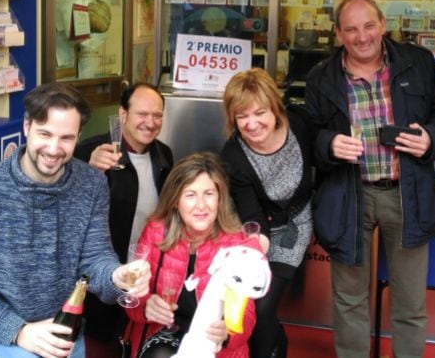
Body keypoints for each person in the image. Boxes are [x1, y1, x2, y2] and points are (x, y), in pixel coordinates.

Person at [0, 82, 151, 358]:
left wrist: (116, 276)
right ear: (27, 127)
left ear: (78, 136)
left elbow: (95, 258)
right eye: (44, 134)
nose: (54, 149)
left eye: (66, 138)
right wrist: (19, 331)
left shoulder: (92, 185)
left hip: (61, 326)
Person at [306, 0, 435, 358]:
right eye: (351, 29)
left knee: (409, 302)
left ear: (383, 25)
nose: (362, 36)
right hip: (348, 195)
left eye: (369, 25)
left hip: (406, 194)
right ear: (339, 34)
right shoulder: (321, 77)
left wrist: (430, 139)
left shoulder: (417, 63)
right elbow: (306, 133)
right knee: (349, 300)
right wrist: (328, 144)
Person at [74, 82, 174, 358]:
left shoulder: (163, 154)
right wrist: (86, 167)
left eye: (157, 115)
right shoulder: (93, 152)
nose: (150, 122)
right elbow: (65, 197)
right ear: (122, 115)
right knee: (100, 340)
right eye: (142, 114)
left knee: (139, 336)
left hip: (143, 268)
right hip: (102, 268)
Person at [220, 68, 314, 358]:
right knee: (253, 303)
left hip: (296, 224)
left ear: (274, 107)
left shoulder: (299, 124)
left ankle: (273, 347)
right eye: (242, 116)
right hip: (255, 230)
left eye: (259, 112)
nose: (251, 124)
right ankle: (277, 346)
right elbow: (250, 213)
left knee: (262, 307)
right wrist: (257, 246)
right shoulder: (234, 155)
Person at [125, 152, 257, 358]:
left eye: (209, 193)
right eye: (190, 195)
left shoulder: (237, 243)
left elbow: (246, 313)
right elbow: (132, 296)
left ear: (220, 198)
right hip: (163, 337)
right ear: (176, 200)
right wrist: (145, 306)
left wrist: (228, 333)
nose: (201, 205)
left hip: (212, 347)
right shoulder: (156, 231)